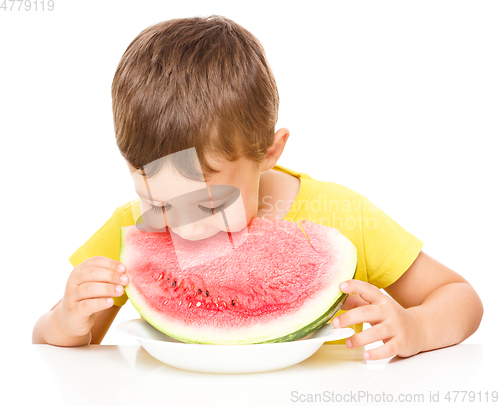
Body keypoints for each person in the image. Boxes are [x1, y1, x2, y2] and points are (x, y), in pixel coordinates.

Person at [32, 15, 483, 360]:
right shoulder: (129, 229)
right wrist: (67, 322)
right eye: (160, 206)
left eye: (208, 206)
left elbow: (461, 298)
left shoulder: (342, 214)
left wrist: (415, 329)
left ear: (269, 151)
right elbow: (58, 340)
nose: (185, 230)